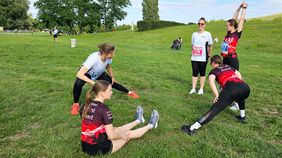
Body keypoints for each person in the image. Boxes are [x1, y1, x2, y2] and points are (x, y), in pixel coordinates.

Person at [81, 80, 159, 156]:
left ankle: (138, 120)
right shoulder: (104, 109)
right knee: (127, 134)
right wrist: (122, 136)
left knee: (116, 129)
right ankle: (151, 125)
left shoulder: (85, 104)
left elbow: (90, 123)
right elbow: (111, 136)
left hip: (85, 145)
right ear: (101, 93)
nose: (112, 92)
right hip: (98, 148)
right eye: (110, 90)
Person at [181, 55, 250, 135]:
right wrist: (240, 83)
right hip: (245, 88)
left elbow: (211, 81)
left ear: (213, 63)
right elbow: (238, 73)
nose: (211, 64)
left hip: (232, 89)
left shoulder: (214, 71)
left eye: (211, 62)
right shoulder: (228, 66)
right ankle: (242, 117)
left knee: (214, 110)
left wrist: (217, 95)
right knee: (240, 96)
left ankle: (191, 128)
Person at [71, 43, 139, 115]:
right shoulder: (93, 58)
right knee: (78, 84)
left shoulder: (107, 58)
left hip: (99, 73)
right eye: (112, 54)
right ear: (105, 53)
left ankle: (129, 92)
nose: (114, 55)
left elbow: (108, 66)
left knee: (112, 83)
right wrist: (92, 82)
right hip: (87, 73)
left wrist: (112, 76)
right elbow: (79, 74)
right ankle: (75, 104)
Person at [221, 2, 248, 110]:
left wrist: (244, 9)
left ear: (232, 26)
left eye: (227, 25)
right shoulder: (227, 34)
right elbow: (233, 18)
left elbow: (240, 21)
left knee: (235, 81)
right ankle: (228, 99)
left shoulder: (236, 34)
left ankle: (238, 103)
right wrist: (238, 7)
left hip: (232, 60)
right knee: (226, 80)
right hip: (225, 59)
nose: (226, 26)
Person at [189, 17, 213, 95]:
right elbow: (193, 45)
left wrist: (209, 54)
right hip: (194, 57)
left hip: (203, 57)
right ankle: (193, 88)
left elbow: (210, 45)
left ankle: (201, 89)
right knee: (194, 73)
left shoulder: (207, 34)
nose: (200, 25)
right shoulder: (194, 34)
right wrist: (192, 53)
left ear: (205, 25)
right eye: (199, 23)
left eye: (202, 24)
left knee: (202, 73)